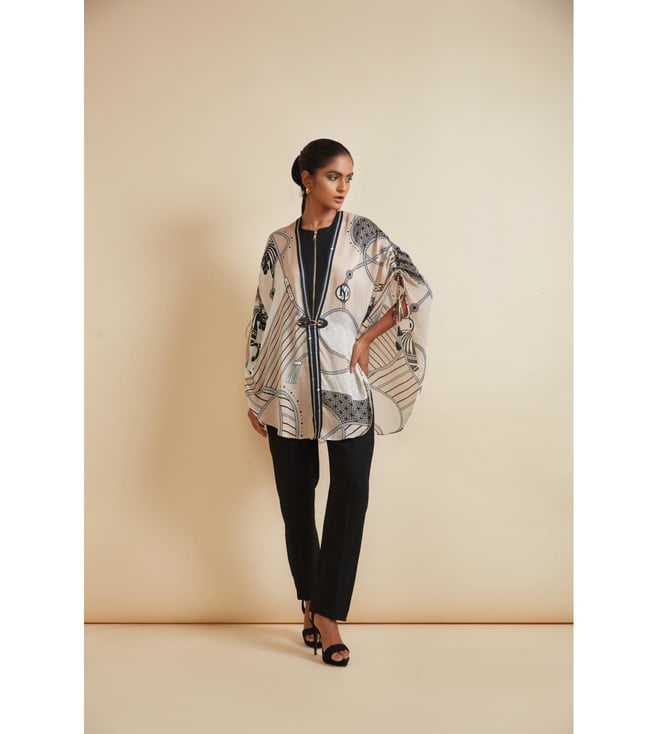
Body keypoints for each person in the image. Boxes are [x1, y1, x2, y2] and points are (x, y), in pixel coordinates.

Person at [244, 138, 432, 666]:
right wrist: (255, 389)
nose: (343, 186)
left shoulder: (365, 236)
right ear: (306, 178)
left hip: (346, 385)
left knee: (350, 493)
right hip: (286, 388)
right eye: (333, 176)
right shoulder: (279, 244)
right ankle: (308, 601)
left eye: (349, 177)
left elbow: (412, 289)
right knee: (295, 499)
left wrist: (368, 337)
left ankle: (328, 614)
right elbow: (261, 315)